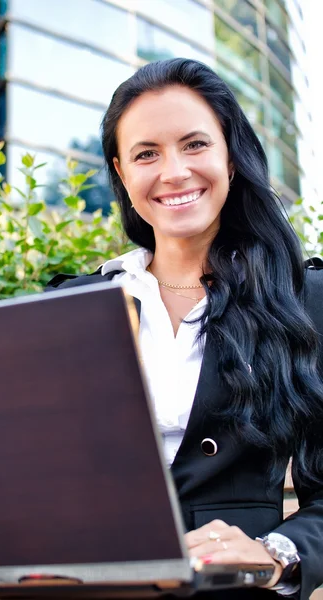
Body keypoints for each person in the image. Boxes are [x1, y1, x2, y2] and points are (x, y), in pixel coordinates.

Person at [47, 59, 323, 599]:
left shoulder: (303, 298)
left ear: (231, 157)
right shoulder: (72, 305)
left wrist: (275, 552)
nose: (173, 171)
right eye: (146, 153)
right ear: (123, 175)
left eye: (195, 144)